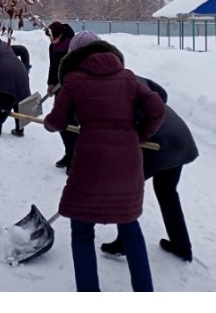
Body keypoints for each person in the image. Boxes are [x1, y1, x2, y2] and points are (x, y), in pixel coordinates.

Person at [44, 31, 166, 292]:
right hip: (128, 162)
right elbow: (157, 107)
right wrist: (137, 134)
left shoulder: (73, 81)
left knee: (82, 229)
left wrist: (48, 122)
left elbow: (57, 122)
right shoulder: (128, 77)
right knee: (129, 225)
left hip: (91, 162)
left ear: (74, 55)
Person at [100, 77, 198, 263]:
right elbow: (162, 93)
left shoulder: (109, 91)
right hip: (178, 136)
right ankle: (181, 245)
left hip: (161, 143)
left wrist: (140, 130)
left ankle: (124, 243)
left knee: (124, 190)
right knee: (167, 191)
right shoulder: (130, 76)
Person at [0, 37, 31, 137]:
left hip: (4, 76)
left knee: (0, 104)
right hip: (21, 72)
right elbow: (23, 50)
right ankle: (19, 130)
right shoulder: (7, 48)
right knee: (18, 102)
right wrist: (26, 67)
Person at [46, 21, 76, 168]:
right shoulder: (53, 47)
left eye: (54, 37)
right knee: (61, 121)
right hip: (60, 88)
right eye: (50, 38)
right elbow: (52, 66)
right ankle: (69, 153)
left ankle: (75, 157)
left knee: (73, 123)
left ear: (61, 35)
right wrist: (51, 83)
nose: (51, 41)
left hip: (75, 89)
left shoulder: (73, 46)